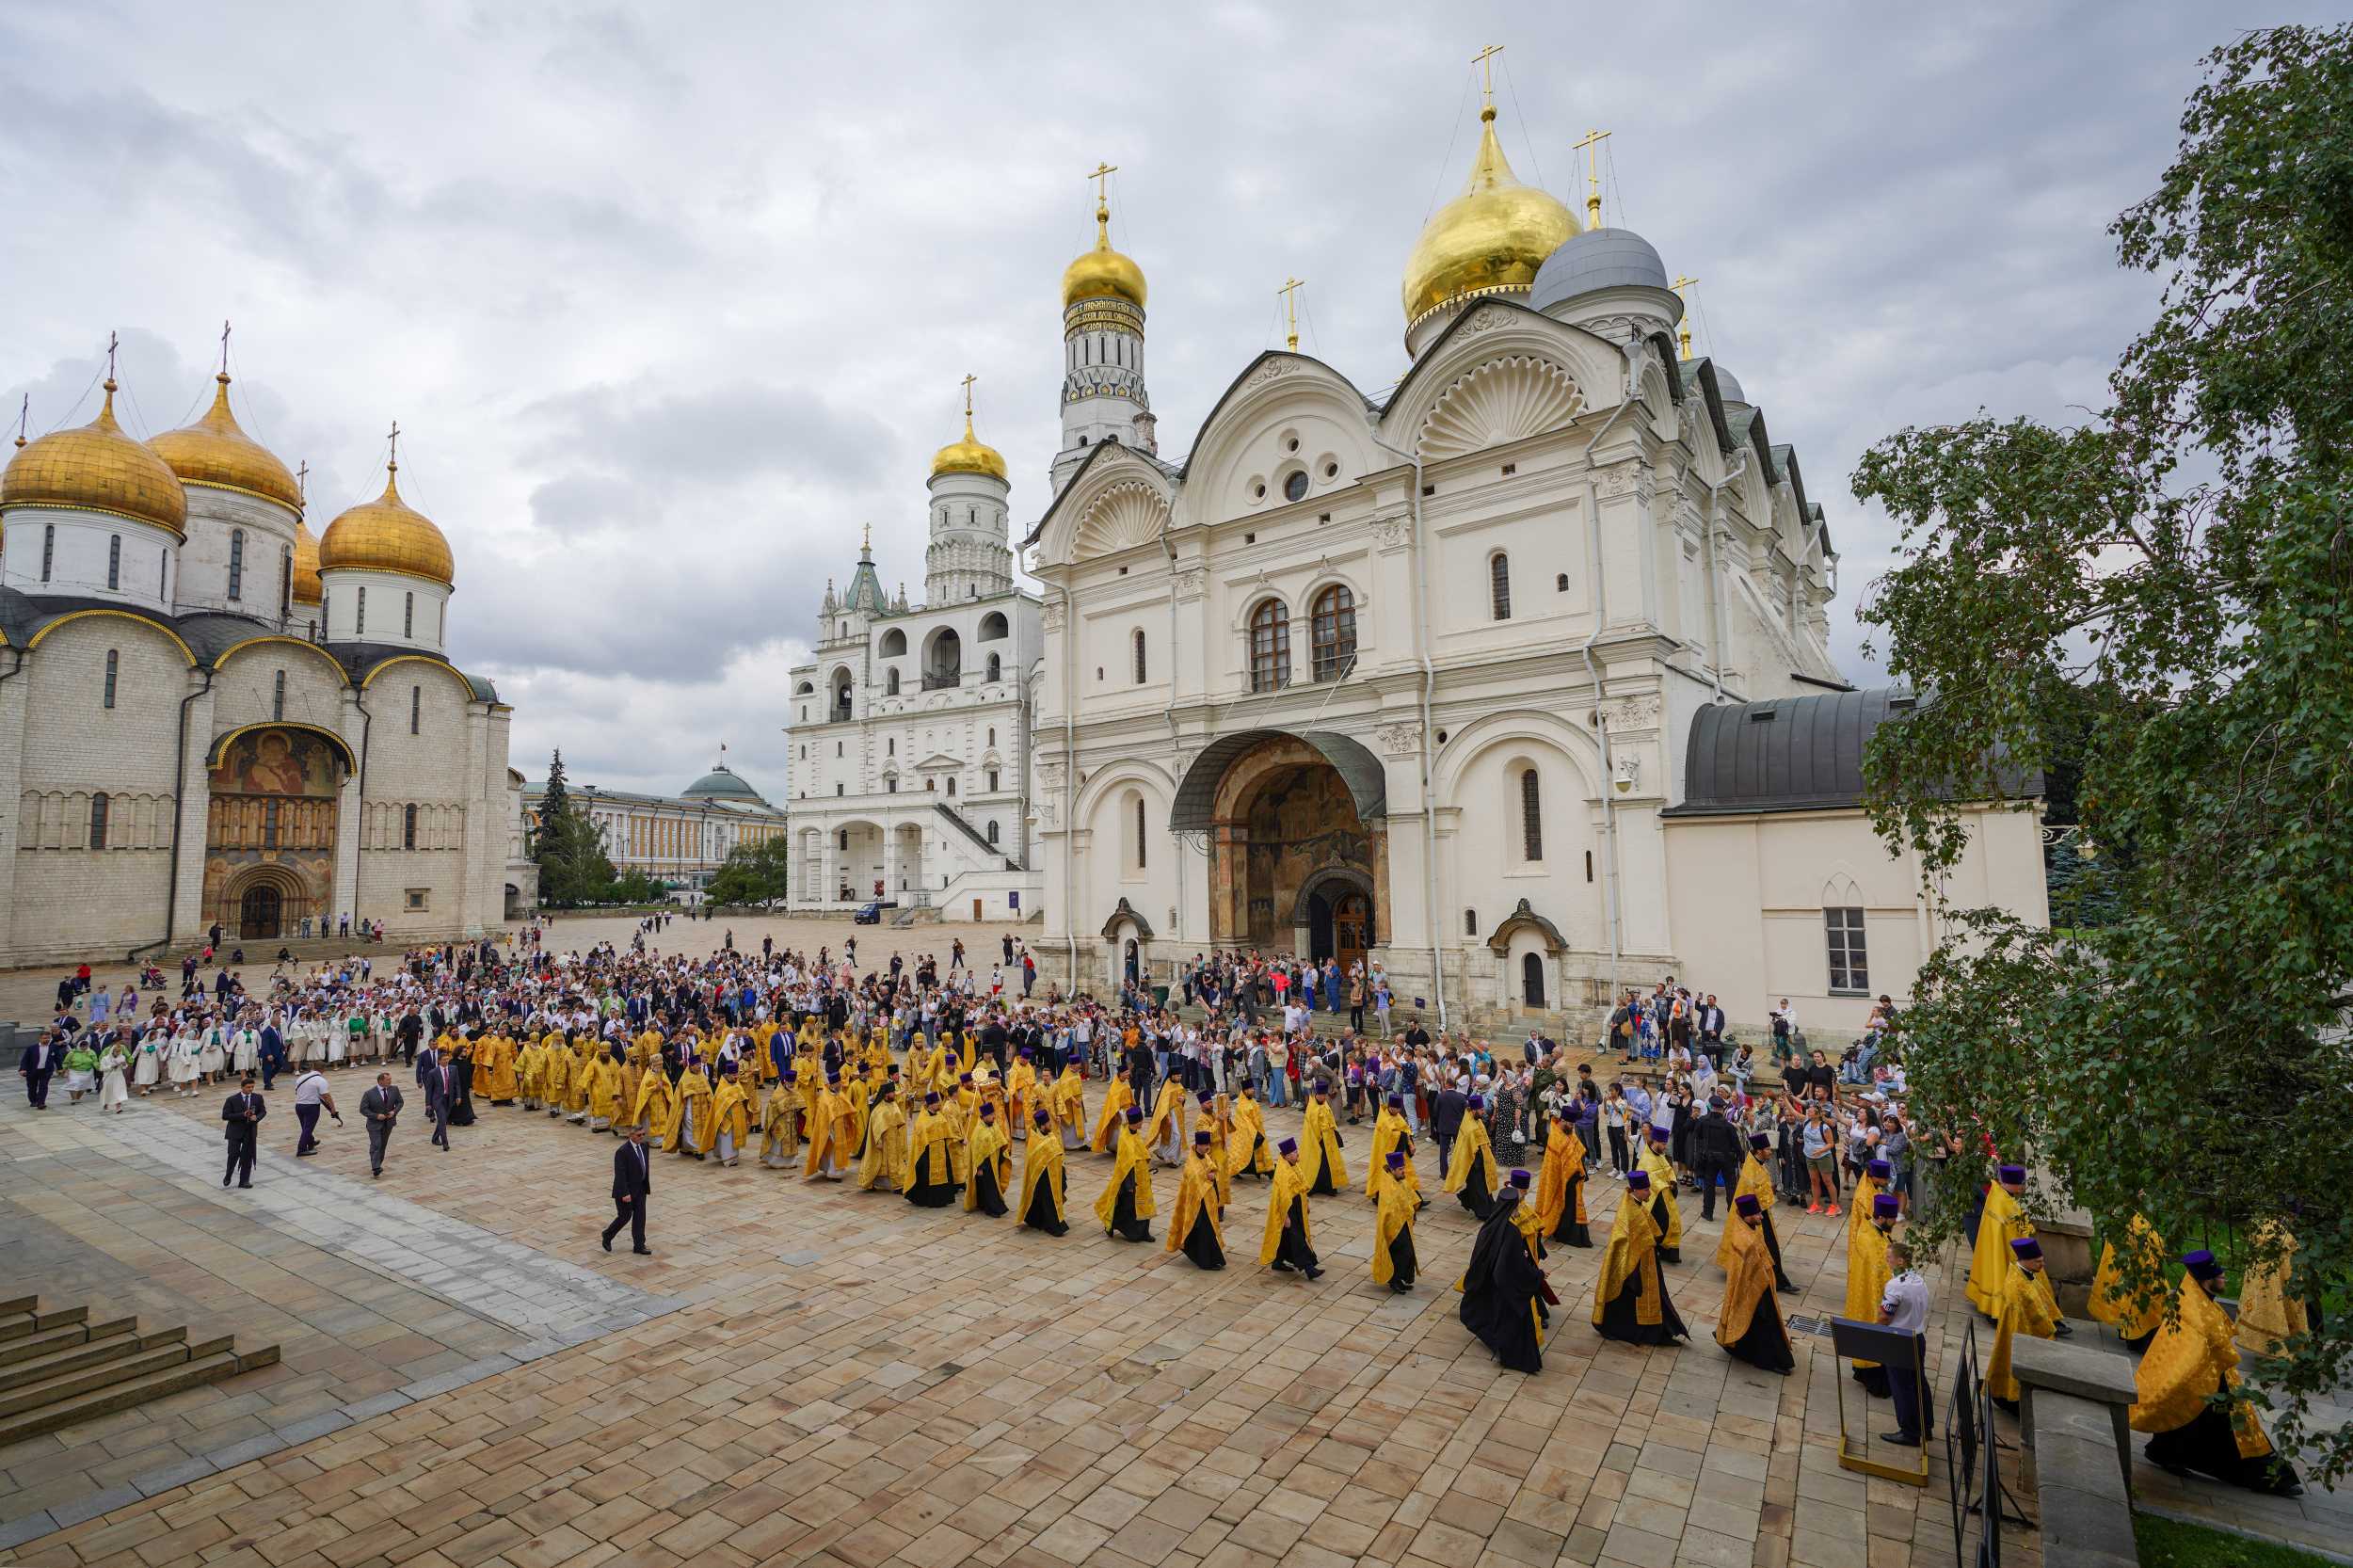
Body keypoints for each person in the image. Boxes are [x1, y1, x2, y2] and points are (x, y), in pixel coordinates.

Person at [2131, 1252, 2304, 1496]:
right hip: (2206, 1380)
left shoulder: (2198, 1298)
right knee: (2232, 1431)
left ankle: (2164, 1451)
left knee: (2199, 1424)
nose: (2224, 1277)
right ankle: (2267, 1478)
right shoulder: (2193, 1311)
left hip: (2212, 1376)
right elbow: (2189, 1350)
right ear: (2204, 1279)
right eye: (2218, 1274)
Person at [1459, 1174, 1553, 1374]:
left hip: (1495, 1284)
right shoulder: (1510, 1231)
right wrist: (1536, 1275)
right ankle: (1518, 1360)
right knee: (1514, 1328)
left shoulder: (1491, 1226)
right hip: (1508, 1289)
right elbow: (1512, 1264)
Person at [1593, 1170, 1688, 1346]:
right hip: (1632, 1266)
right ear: (1635, 1190)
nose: (1649, 1193)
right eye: (1646, 1190)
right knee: (1628, 1301)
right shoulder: (1630, 1210)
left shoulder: (1635, 1204)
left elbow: (1650, 1230)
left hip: (1645, 1260)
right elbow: (1625, 1240)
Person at [1716, 1195, 1796, 1374]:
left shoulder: (1746, 1226)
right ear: (1747, 1216)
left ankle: (1740, 1347)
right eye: (1757, 1214)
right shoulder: (1745, 1240)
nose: (1761, 1217)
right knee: (1764, 1322)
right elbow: (1748, 1269)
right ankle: (1767, 1360)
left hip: (1758, 1283)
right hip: (1755, 1287)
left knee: (1755, 1322)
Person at [1985, 1237, 2062, 1413]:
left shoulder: (2024, 1273)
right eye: (2038, 1262)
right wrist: (2048, 1329)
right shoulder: (2017, 1286)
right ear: (2026, 1260)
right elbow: (2027, 1317)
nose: (2041, 1266)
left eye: (2042, 1261)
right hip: (2019, 1335)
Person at [1877, 1240, 1935, 1448]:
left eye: (1889, 1258)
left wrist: (1878, 1328)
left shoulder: (1895, 1285)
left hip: (1899, 1339)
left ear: (1900, 1260)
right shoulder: (1919, 1280)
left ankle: (1909, 1432)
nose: (1887, 1261)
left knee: (1901, 1387)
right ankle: (1925, 1426)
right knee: (1919, 1382)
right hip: (1917, 1336)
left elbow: (1885, 1315)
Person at [1845, 1193, 1902, 1394]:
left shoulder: (1871, 1230)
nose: (1895, 1222)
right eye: (1892, 1219)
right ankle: (1874, 1380)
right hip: (1873, 1299)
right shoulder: (1872, 1243)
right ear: (1881, 1218)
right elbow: (1882, 1274)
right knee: (1876, 1338)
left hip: (1869, 1296)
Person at [2088, 1212, 2169, 1354]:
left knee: (2134, 1302)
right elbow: (2157, 1245)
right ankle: (2138, 1340)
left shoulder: (2126, 1223)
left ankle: (2134, 1339)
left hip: (2137, 1272)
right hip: (2140, 1271)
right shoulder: (2132, 1223)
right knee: (2139, 1303)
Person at [1965, 1164, 2034, 1319]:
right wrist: (2027, 1229)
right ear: (2015, 1184)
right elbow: (2018, 1231)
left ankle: (1988, 1303)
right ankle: (1997, 1310)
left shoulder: (1995, 1194)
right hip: (2003, 1251)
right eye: (2022, 1184)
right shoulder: (2007, 1205)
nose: (2023, 1188)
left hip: (1991, 1247)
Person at [1259, 1137, 1321, 1278]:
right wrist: (1285, 1216)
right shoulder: (1283, 1172)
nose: (1297, 1153)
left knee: (1287, 1236)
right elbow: (1282, 1196)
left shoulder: (1293, 1164)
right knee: (1297, 1237)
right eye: (1294, 1152)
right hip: (1288, 1209)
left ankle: (1278, 1260)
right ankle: (1309, 1268)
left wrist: (1306, 1204)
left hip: (1297, 1206)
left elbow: (1301, 1185)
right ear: (1287, 1156)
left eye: (1296, 1151)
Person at [1164, 1131, 1226, 1269]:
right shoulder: (1191, 1163)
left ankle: (1205, 1256)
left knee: (1205, 1231)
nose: (1207, 1147)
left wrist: (1212, 1176)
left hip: (1206, 1202)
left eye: (1208, 1145)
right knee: (1204, 1231)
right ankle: (1205, 1262)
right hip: (1196, 1204)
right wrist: (1207, 1178)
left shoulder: (1205, 1157)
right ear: (1198, 1145)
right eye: (1205, 1145)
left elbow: (1212, 1171)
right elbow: (1194, 1180)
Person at [1096, 1104, 1157, 1242]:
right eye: (1141, 1120)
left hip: (1142, 1178)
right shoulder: (1125, 1138)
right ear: (1136, 1122)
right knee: (1128, 1207)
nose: (1143, 1122)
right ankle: (1114, 1225)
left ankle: (1144, 1233)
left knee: (1145, 1203)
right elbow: (1125, 1164)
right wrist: (1130, 1184)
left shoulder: (1135, 1133)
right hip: (1130, 1180)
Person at [1532, 1108, 1590, 1247]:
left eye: (1573, 1125)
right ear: (1563, 1121)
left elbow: (1578, 1149)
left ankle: (1569, 1233)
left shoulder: (1568, 1131)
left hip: (1572, 1179)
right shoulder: (1555, 1136)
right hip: (1560, 1178)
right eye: (1570, 1124)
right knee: (1565, 1207)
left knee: (1572, 1207)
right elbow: (1555, 1163)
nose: (1572, 1127)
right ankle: (1564, 1233)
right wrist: (1571, 1172)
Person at [1443, 1094, 1498, 1220]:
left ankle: (1468, 1198)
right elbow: (1468, 1148)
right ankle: (1483, 1213)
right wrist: (1478, 1162)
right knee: (1478, 1188)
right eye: (1481, 1110)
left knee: (1482, 1186)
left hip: (1482, 1160)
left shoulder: (1476, 1120)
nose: (1483, 1112)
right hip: (1473, 1163)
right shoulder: (1470, 1127)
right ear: (1473, 1110)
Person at [1369, 1150, 1417, 1293]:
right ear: (1392, 1170)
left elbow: (1408, 1196)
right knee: (1401, 1252)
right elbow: (1389, 1207)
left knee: (1407, 1253)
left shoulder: (1399, 1180)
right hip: (1393, 1227)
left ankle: (1400, 1279)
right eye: (1401, 1169)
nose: (1404, 1172)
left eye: (1404, 1168)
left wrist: (1412, 1212)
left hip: (1403, 1223)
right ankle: (1394, 1280)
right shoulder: (1387, 1185)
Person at [603, 1126, 654, 1255]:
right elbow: (620, 1174)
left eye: (643, 1134)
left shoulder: (644, 1147)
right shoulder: (622, 1151)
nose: (641, 1137)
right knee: (624, 1217)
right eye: (639, 1135)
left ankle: (639, 1245)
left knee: (640, 1218)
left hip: (641, 1189)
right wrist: (625, 1193)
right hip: (626, 1191)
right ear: (631, 1135)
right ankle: (607, 1235)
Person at [1018, 1109, 1069, 1234]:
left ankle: (1036, 1220)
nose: (1050, 1125)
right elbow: (1033, 1161)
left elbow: (1057, 1152)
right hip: (1043, 1178)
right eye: (1048, 1124)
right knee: (1048, 1202)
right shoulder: (1034, 1140)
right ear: (1042, 1126)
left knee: (1048, 1201)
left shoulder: (1051, 1135)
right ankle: (1054, 1227)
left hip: (1056, 1174)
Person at [1299, 1083, 1348, 1196]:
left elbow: (1330, 1119)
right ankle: (1315, 1186)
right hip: (1317, 1140)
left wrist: (1334, 1132)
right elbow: (1310, 1127)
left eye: (1324, 1095)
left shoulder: (1325, 1104)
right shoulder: (1311, 1108)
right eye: (1321, 1095)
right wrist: (1319, 1136)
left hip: (1328, 1140)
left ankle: (1329, 1187)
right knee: (1317, 1164)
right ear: (1316, 1094)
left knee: (1329, 1164)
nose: (1323, 1097)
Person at [964, 1102, 1012, 1216]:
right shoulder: (978, 1131)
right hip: (985, 1165)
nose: (993, 1116)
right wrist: (979, 1167)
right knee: (988, 1188)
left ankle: (985, 1205)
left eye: (993, 1114)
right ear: (984, 1116)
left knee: (993, 1186)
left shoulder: (994, 1125)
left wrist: (1002, 1156)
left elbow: (1001, 1140)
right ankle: (992, 1209)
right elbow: (976, 1151)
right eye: (991, 1115)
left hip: (995, 1162)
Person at [221, 1075, 265, 1188]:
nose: (250, 1089)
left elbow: (263, 1111)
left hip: (250, 1131)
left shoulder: (257, 1098)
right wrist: (242, 1115)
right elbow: (225, 1116)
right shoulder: (232, 1099)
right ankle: (228, 1174)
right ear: (242, 1087)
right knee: (233, 1154)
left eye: (252, 1087)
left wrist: (257, 1117)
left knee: (247, 1156)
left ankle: (244, 1180)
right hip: (235, 1131)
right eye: (248, 1087)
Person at [360, 1071, 403, 1178]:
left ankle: (378, 1164)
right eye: (388, 1080)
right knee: (376, 1144)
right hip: (374, 1124)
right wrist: (376, 1116)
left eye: (390, 1079)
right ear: (380, 1081)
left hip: (388, 1123)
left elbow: (400, 1102)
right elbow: (363, 1109)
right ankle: (376, 1167)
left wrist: (394, 1112)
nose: (390, 1081)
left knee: (382, 1145)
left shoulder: (394, 1089)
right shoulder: (369, 1093)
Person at [290, 1066, 341, 1156]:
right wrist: (333, 1109)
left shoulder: (301, 1077)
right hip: (311, 1107)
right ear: (322, 1070)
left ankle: (310, 1142)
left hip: (299, 1105)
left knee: (305, 1126)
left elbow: (296, 1092)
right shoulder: (320, 1080)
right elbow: (327, 1096)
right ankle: (301, 1149)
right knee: (308, 1128)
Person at [422, 1048, 456, 1151]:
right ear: (439, 1061)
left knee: (443, 1120)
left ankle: (435, 1137)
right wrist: (428, 1103)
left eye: (447, 1059)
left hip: (449, 1099)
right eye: (444, 1059)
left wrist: (458, 1096)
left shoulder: (453, 1069)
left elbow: (456, 1084)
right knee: (442, 1119)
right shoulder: (433, 1073)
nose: (446, 1061)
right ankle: (445, 1144)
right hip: (437, 1100)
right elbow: (429, 1090)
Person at [17, 1032, 60, 1110]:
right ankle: (33, 1101)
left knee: (43, 1087)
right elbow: (25, 1059)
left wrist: (60, 1069)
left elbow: (58, 1058)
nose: (46, 1040)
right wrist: (22, 1069)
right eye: (44, 1038)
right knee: (32, 1087)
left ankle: (41, 1103)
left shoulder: (53, 1047)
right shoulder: (32, 1048)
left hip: (46, 1071)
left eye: (48, 1038)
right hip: (32, 1070)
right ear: (40, 1039)